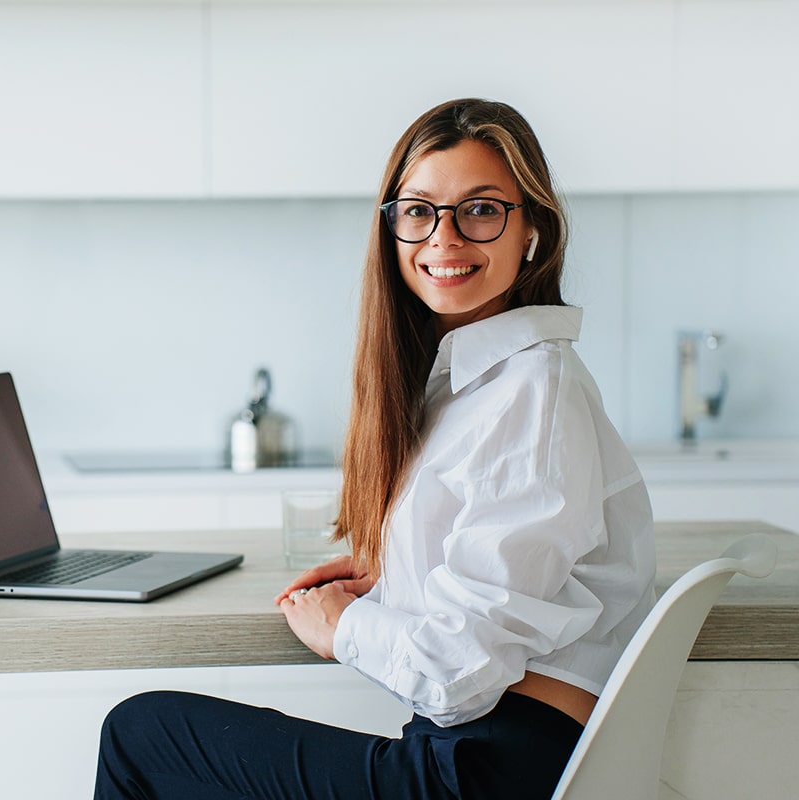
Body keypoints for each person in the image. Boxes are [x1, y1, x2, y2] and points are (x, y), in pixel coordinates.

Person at [93, 98, 656, 800]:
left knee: (142, 734)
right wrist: (395, 574)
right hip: (481, 756)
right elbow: (506, 580)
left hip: (486, 773)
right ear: (392, 228)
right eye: (419, 211)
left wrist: (347, 625)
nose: (443, 239)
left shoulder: (534, 391)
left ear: (532, 229)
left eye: (481, 210)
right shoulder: (475, 380)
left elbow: (459, 677)